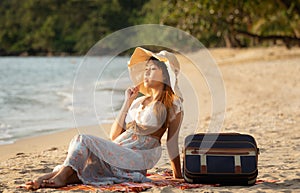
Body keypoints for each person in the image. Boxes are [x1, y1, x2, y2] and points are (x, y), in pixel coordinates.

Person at [22, 47, 184, 190]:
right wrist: (127, 102)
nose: (146, 73)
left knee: (82, 139)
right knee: (85, 166)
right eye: (146, 69)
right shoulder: (138, 102)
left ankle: (58, 178)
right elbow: (114, 136)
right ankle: (46, 180)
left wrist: (178, 176)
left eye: (152, 69)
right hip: (120, 150)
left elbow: (172, 142)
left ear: (164, 74)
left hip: (138, 158)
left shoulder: (173, 105)